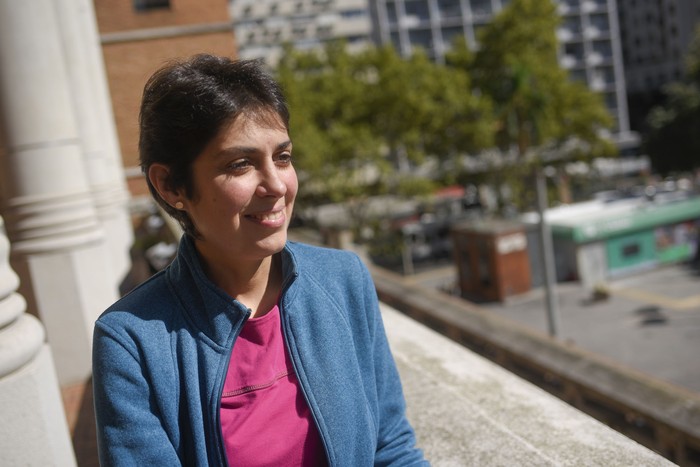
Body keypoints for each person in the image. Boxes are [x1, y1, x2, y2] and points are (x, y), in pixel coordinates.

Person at [92, 54, 427, 466]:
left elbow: (390, 447)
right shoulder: (132, 341)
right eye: (240, 164)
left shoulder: (343, 280)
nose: (276, 185)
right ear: (170, 185)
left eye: (283, 158)